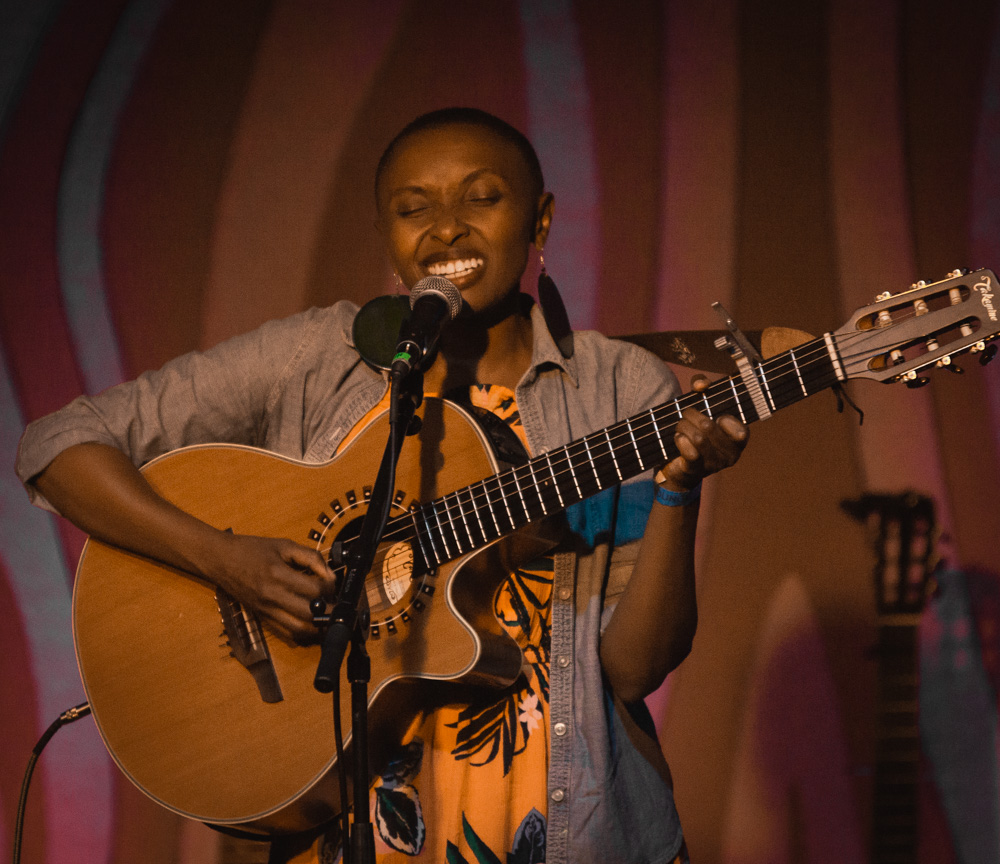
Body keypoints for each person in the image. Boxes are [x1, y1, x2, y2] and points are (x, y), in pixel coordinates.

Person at [17, 107, 748, 863]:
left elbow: (633, 668)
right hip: (350, 818)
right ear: (385, 232)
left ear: (541, 219)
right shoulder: (316, 355)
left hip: (565, 825)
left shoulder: (617, 386)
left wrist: (677, 491)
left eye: (482, 197)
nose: (447, 229)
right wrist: (224, 560)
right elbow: (57, 445)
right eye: (412, 208)